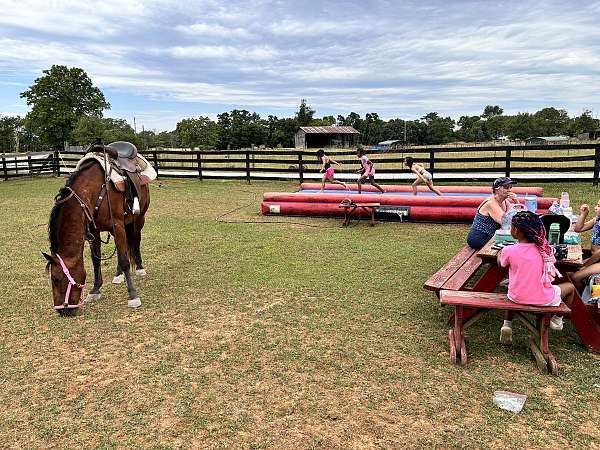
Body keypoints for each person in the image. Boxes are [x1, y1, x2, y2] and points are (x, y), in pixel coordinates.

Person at [498, 211, 575, 343]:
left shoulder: (509, 250)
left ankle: (507, 324)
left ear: (516, 231)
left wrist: (500, 253)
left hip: (516, 298)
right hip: (543, 299)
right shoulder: (545, 250)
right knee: (570, 287)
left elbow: (501, 264)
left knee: (512, 290)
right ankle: (557, 319)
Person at [466, 177, 521, 250]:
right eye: (506, 187)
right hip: (479, 237)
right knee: (512, 246)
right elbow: (505, 223)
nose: (509, 190)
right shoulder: (491, 203)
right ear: (497, 189)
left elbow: (518, 216)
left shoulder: (505, 201)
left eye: (510, 187)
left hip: (492, 236)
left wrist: (517, 201)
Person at [570, 200, 600, 291]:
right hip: (595, 259)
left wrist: (585, 265)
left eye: (599, 206)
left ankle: (583, 301)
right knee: (570, 270)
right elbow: (578, 228)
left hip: (598, 259)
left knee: (575, 277)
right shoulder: (597, 219)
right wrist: (583, 214)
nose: (595, 207)